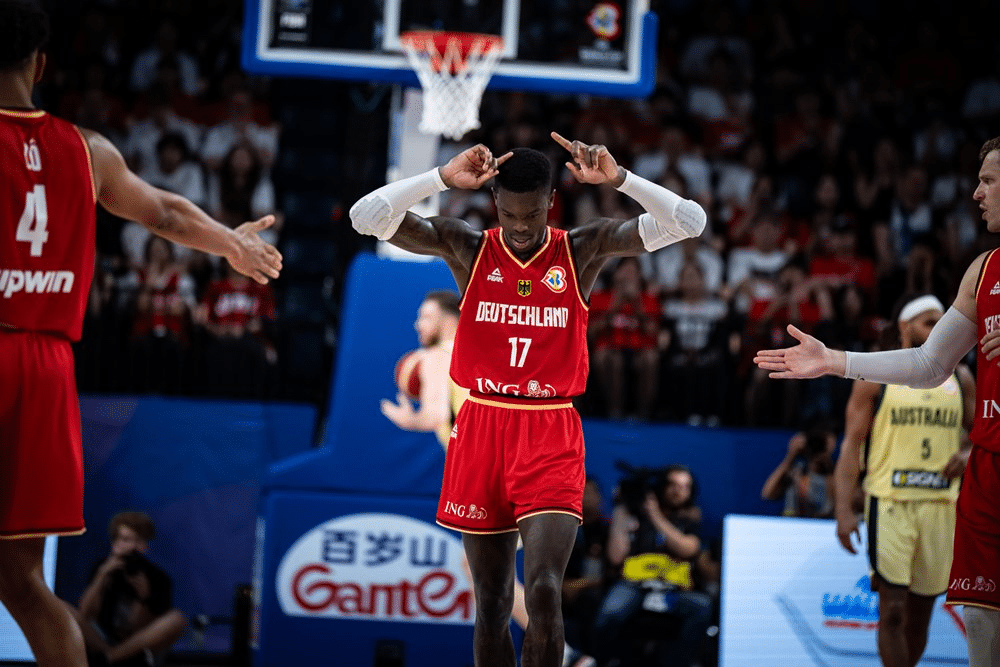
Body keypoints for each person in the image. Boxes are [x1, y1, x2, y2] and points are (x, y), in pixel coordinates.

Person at [350, 133, 706, 667]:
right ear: (495, 202)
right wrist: (440, 179)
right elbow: (364, 217)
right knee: (491, 603)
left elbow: (689, 222)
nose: (520, 228)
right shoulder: (467, 247)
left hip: (550, 429)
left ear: (550, 204)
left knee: (542, 590)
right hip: (483, 425)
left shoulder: (581, 248)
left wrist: (620, 179)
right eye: (511, 215)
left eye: (532, 215)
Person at [0, 4, 282, 666]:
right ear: (41, 66)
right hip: (45, 366)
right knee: (24, 582)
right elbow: (165, 210)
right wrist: (231, 244)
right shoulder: (88, 150)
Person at [753, 136, 1000, 667]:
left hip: (944, 496)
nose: (976, 193)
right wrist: (835, 360)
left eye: (989, 181)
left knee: (930, 614)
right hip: (963, 480)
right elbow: (929, 365)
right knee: (978, 617)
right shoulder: (983, 270)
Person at [380, 290, 596, 667]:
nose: (418, 324)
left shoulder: (436, 356)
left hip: (495, 468)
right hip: (542, 452)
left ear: (449, 319)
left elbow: (431, 416)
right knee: (524, 573)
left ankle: (566, 658)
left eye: (425, 316)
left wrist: (405, 418)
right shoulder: (486, 345)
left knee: (487, 575)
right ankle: (562, 655)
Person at [833, 294, 975, 667]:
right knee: (892, 612)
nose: (937, 328)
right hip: (891, 502)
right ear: (904, 327)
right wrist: (843, 509)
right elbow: (850, 446)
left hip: (941, 506)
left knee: (920, 617)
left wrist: (968, 454)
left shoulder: (961, 378)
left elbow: (985, 437)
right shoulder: (877, 377)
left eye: (941, 321)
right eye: (928, 322)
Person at [591, 465, 712, 667]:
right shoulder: (635, 516)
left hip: (673, 592)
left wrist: (655, 514)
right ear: (661, 486)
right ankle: (604, 662)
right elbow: (615, 557)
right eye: (673, 484)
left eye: (685, 486)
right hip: (634, 586)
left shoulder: (690, 521)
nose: (678, 491)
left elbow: (688, 549)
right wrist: (621, 512)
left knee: (703, 606)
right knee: (610, 612)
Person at [70, 512, 185, 667]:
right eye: (125, 540)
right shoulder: (102, 568)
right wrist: (101, 577)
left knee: (177, 619)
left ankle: (110, 657)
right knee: (63, 609)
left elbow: (139, 629)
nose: (131, 546)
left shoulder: (158, 578)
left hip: (136, 643)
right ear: (114, 543)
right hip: (101, 639)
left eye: (138, 541)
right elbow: (85, 614)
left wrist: (142, 597)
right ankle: (115, 655)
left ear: (146, 546)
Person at [760, 425, 837, 518]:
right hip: (792, 524)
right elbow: (767, 494)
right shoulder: (795, 470)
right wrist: (790, 456)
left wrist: (828, 465)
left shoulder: (832, 476)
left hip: (820, 525)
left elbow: (837, 505)